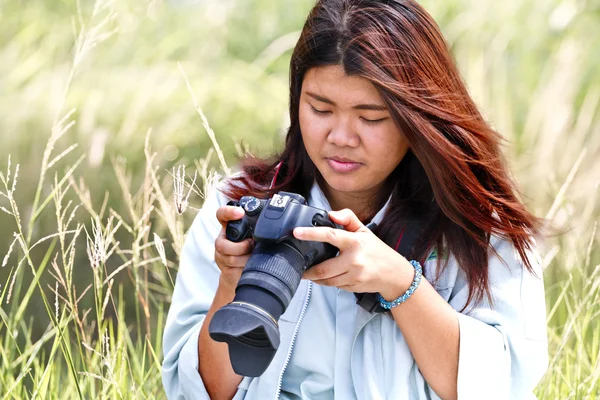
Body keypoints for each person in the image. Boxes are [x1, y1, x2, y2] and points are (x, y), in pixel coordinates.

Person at [161, 0, 549, 399]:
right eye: (320, 108)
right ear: (296, 101)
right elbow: (197, 391)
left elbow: (501, 386)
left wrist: (400, 282)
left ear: (418, 116)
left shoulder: (479, 225)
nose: (342, 137)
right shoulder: (240, 205)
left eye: (371, 117)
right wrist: (233, 284)